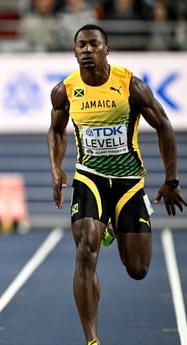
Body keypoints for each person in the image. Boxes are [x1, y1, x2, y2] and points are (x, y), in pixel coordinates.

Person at [47, 24, 186, 345]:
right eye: (80, 45)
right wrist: (56, 167)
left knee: (138, 269)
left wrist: (172, 179)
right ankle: (92, 340)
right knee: (85, 251)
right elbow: (55, 130)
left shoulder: (130, 86)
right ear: (74, 51)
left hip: (129, 183)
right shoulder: (65, 90)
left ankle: (111, 224)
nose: (86, 50)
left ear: (106, 49)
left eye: (93, 45)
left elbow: (164, 127)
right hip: (89, 177)